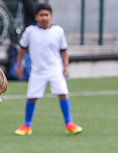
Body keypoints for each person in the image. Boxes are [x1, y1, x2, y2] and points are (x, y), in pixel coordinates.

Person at [14, 3, 82, 136]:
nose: (44, 18)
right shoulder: (30, 31)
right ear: (36, 17)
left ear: (51, 16)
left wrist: (65, 67)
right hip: (37, 70)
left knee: (63, 93)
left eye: (47, 15)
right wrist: (19, 66)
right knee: (32, 97)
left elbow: (64, 51)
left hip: (55, 69)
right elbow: (22, 49)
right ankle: (27, 125)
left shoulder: (58, 31)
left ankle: (69, 123)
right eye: (41, 15)